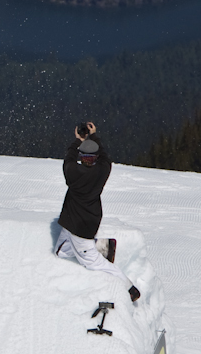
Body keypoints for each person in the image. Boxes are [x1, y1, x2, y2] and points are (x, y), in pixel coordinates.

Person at [56, 121, 141, 302]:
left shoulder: (73, 172)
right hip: (87, 218)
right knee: (60, 251)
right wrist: (93, 136)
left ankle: (129, 287)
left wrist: (78, 140)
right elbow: (104, 157)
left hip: (80, 227)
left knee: (93, 262)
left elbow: (69, 158)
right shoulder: (102, 171)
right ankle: (99, 245)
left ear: (81, 156)